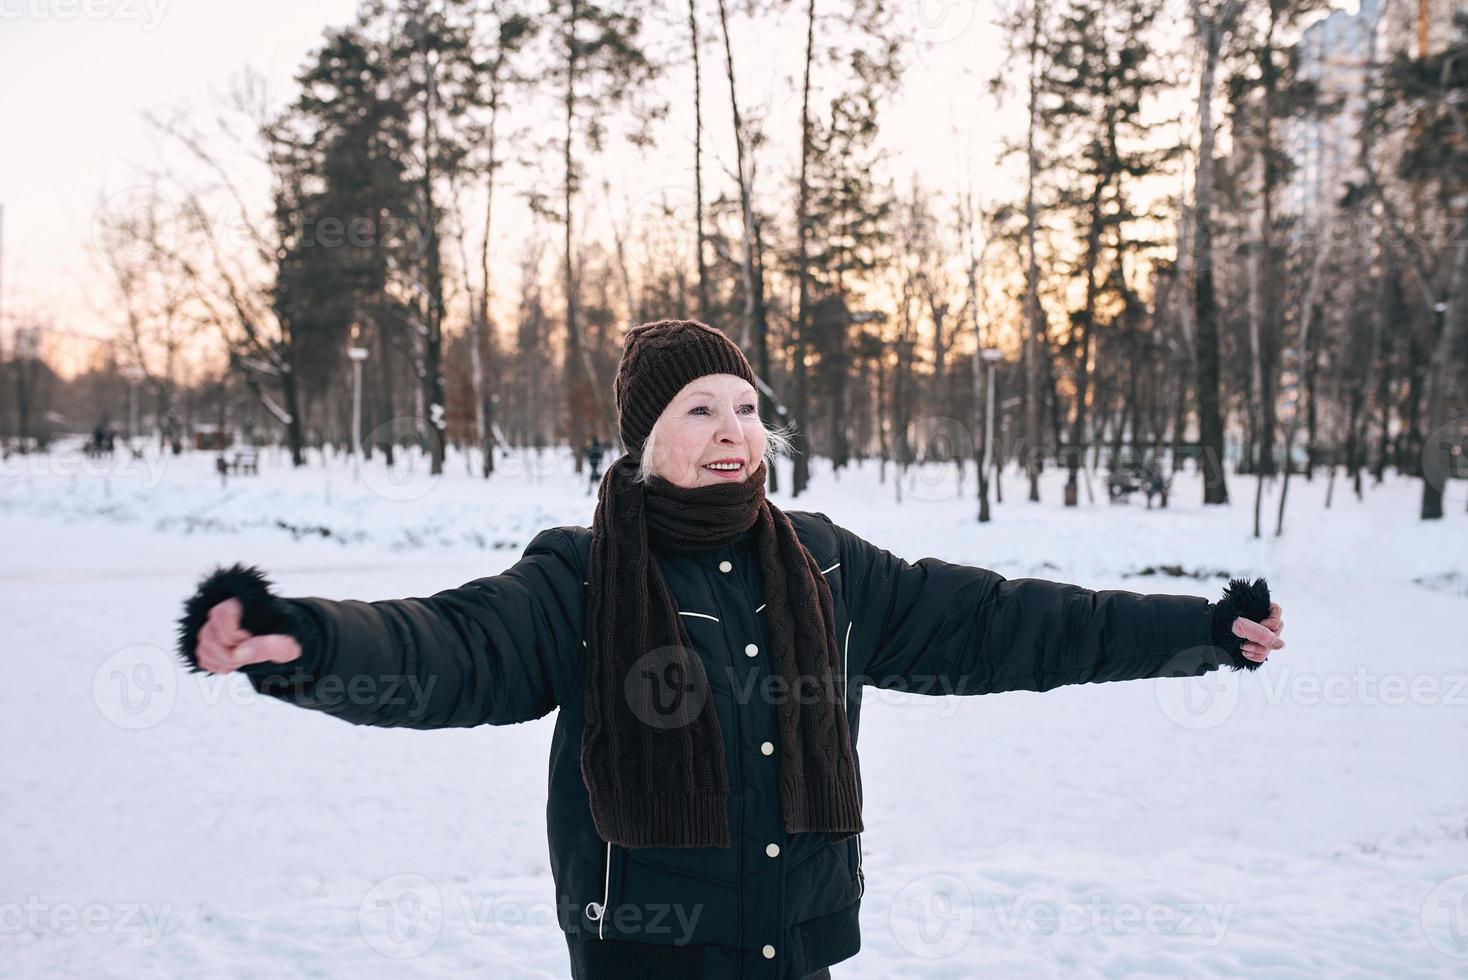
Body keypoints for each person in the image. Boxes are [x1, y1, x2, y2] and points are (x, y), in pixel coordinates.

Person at [176, 319, 1286, 980]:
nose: (731, 431)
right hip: (651, 953)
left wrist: (1197, 631)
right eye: (700, 409)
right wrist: (307, 641)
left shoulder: (822, 562)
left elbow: (1009, 621)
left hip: (798, 943)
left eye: (747, 408)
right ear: (646, 437)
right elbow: (452, 646)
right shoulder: (582, 573)